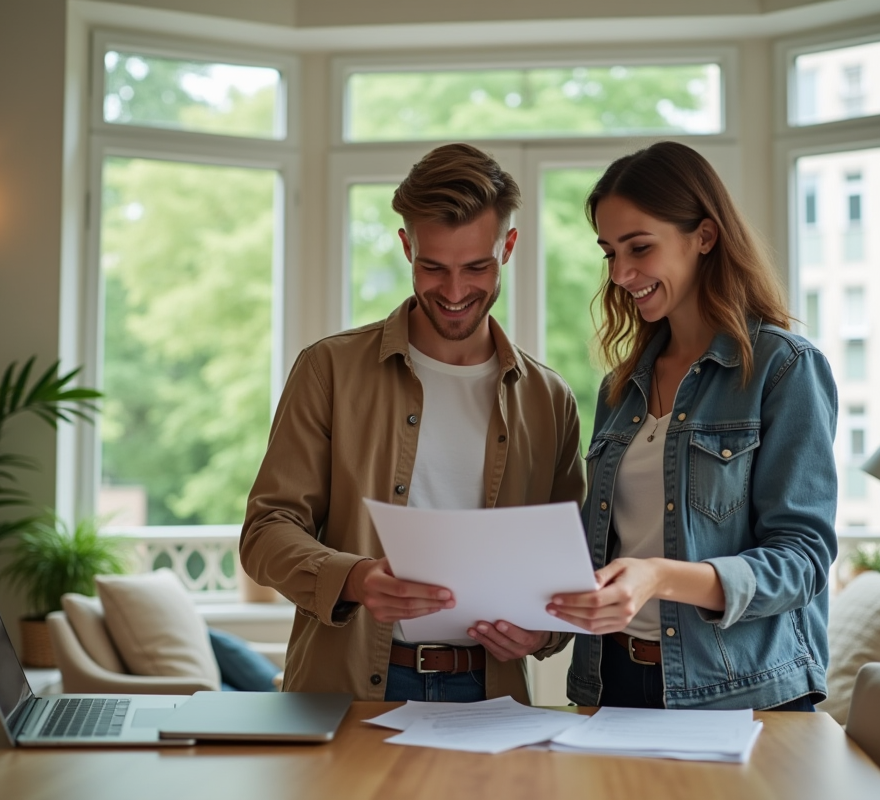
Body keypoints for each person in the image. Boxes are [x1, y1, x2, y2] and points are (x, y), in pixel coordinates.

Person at [240, 143, 584, 704]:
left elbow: (570, 562)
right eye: (433, 267)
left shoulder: (549, 399)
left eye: (477, 267)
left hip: (490, 693)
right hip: (348, 690)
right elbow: (265, 534)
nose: (454, 293)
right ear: (406, 246)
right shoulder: (328, 369)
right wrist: (355, 578)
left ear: (510, 247)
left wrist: (544, 632)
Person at [549, 141, 837, 711]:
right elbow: (604, 547)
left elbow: (802, 561)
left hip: (741, 693)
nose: (622, 273)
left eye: (640, 247)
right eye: (609, 253)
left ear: (703, 236)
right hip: (614, 685)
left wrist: (660, 576)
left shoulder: (782, 369)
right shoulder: (619, 388)